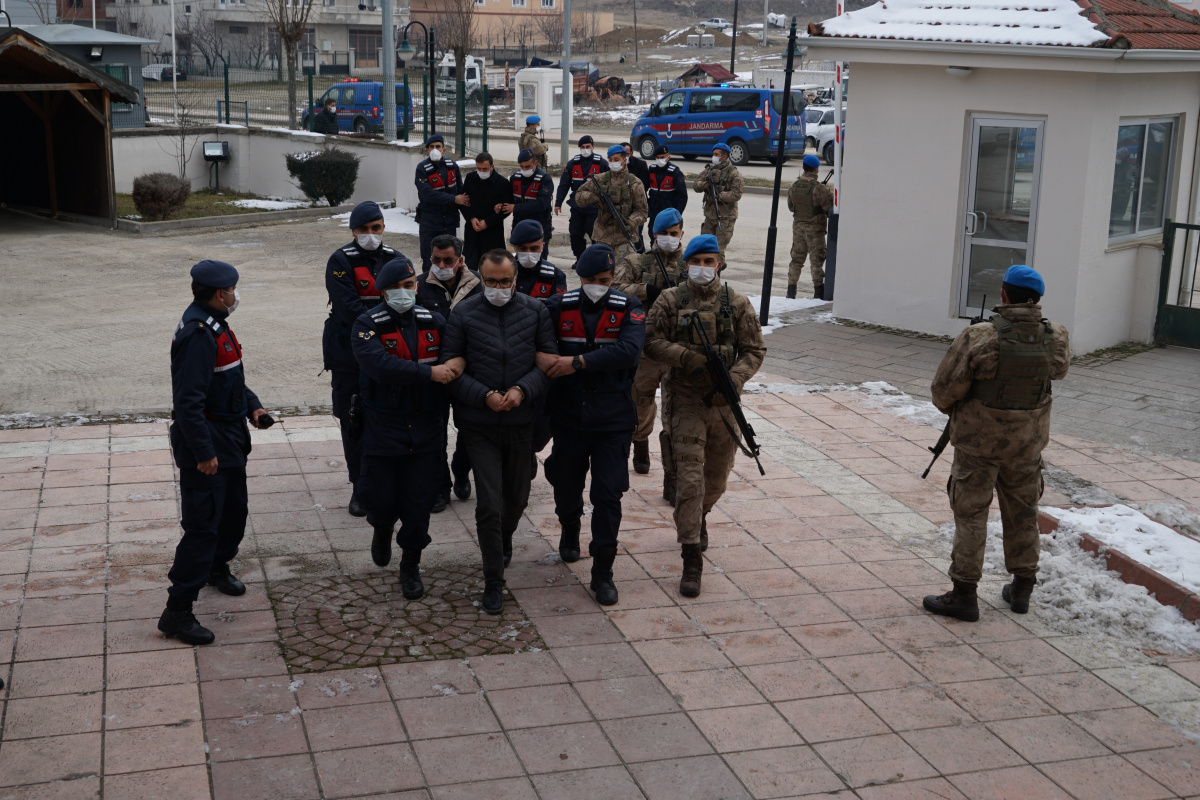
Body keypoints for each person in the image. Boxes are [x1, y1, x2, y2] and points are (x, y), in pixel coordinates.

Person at [923, 266, 1071, 622]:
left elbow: (944, 389)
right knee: (1023, 513)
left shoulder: (979, 336)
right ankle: (1022, 588)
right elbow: (1059, 371)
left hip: (978, 445)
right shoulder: (1057, 335)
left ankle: (964, 594)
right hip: (1026, 446)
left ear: (1003, 295)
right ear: (1037, 299)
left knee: (971, 515)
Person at [644, 235, 765, 597]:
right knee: (690, 480)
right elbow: (649, 341)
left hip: (723, 402)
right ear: (686, 264)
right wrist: (685, 357)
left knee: (715, 481)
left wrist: (733, 379)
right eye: (696, 260)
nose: (702, 267)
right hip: (685, 400)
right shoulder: (669, 300)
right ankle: (691, 555)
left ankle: (700, 518)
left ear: (719, 263)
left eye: (709, 261)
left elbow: (754, 349)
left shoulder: (737, 302)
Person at [160, 260, 271, 646]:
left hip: (228, 434)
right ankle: (177, 612)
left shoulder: (215, 323)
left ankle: (216, 568)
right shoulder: (198, 334)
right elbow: (188, 402)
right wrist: (204, 452)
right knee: (202, 527)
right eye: (233, 289)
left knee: (232, 512)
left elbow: (231, 376)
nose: (237, 295)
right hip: (206, 441)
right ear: (219, 294)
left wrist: (253, 407)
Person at [442, 249, 557, 614]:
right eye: (490, 281)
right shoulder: (463, 314)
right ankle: (494, 580)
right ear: (480, 278)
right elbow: (451, 372)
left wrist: (522, 390)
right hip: (479, 425)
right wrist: (485, 396)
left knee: (517, 499)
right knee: (489, 504)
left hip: (522, 424)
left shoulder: (535, 311)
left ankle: (503, 538)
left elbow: (548, 363)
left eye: (504, 282)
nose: (497, 288)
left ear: (515, 280)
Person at [540, 244, 645, 606]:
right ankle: (569, 526)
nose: (596, 286)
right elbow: (537, 342)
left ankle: (603, 571)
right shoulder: (558, 306)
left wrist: (578, 362)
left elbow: (628, 352)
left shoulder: (629, 308)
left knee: (607, 494)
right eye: (589, 280)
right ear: (578, 277)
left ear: (612, 278)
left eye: (602, 280)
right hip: (568, 415)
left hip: (612, 417)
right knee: (566, 481)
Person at [352, 255, 461, 599]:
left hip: (427, 427)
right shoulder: (366, 323)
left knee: (418, 504)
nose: (403, 292)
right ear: (383, 292)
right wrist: (429, 373)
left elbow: (455, 355)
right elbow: (380, 366)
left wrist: (455, 363)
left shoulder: (435, 320)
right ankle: (381, 528)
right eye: (395, 288)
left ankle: (410, 565)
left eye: (408, 285)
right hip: (384, 426)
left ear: (416, 285)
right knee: (379, 497)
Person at [323, 201, 404, 517]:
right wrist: (383, 322)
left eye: (376, 228)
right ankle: (360, 486)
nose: (370, 235)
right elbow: (348, 307)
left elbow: (408, 299)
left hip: (387, 354)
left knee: (387, 418)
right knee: (353, 420)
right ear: (353, 230)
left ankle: (388, 482)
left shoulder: (396, 259)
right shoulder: (340, 260)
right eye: (363, 229)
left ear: (383, 226)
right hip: (349, 353)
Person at [614, 208, 687, 484]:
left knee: (676, 411)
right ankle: (640, 442)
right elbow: (615, 287)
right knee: (640, 402)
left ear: (681, 232)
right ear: (654, 234)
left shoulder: (690, 263)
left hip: (678, 350)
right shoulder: (637, 261)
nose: (669, 238)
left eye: (673, 233)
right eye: (663, 233)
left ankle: (672, 472)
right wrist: (646, 290)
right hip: (645, 348)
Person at [417, 234, 483, 511]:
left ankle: (461, 469)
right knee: (434, 433)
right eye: (436, 259)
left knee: (471, 429)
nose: (441, 264)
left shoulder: (478, 284)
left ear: (461, 260)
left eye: (448, 260)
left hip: (470, 370)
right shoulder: (419, 286)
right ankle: (439, 487)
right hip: (434, 373)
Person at [573, 145, 649, 262]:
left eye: (616, 159)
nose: (613, 162)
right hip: (602, 237)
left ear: (624, 160)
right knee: (601, 273)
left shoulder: (635, 183)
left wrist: (631, 222)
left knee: (622, 275)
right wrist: (592, 197)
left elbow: (642, 211)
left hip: (624, 238)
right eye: (610, 159)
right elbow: (578, 195)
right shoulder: (600, 179)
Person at [415, 134, 468, 273]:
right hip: (430, 221)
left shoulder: (452, 166)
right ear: (427, 150)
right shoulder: (422, 168)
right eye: (431, 147)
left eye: (438, 146)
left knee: (450, 258)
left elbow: (460, 191)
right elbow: (426, 194)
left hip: (449, 221)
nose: (435, 149)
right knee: (429, 259)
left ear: (443, 149)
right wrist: (453, 199)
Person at [787, 154, 834, 300]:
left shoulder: (793, 186)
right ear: (816, 169)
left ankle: (791, 291)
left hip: (798, 228)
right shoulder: (819, 188)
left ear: (803, 167)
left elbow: (790, 207)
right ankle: (818, 293)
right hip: (815, 231)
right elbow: (829, 207)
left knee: (796, 260)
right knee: (816, 262)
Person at [554, 135, 609, 260]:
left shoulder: (601, 163)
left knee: (594, 233)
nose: (585, 149)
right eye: (582, 147)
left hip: (594, 207)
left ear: (593, 147)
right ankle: (580, 258)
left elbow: (609, 185)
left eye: (588, 147)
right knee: (575, 233)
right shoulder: (573, 163)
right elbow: (564, 185)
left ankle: (596, 259)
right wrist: (558, 203)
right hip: (577, 206)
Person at [693, 143, 744, 259]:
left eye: (716, 154)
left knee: (717, 251)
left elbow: (736, 194)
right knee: (704, 248)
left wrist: (719, 195)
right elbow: (696, 185)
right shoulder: (709, 170)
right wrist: (705, 184)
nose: (714, 156)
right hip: (710, 216)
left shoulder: (734, 174)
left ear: (724, 157)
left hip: (725, 218)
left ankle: (717, 272)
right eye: (713, 154)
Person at [460, 152, 510, 270]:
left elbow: (506, 210)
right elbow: (463, 203)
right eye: (479, 168)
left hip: (492, 235)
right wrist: (472, 219)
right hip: (473, 232)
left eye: (485, 169)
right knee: (470, 272)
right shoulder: (470, 178)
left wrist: (487, 222)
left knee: (492, 270)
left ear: (492, 167)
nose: (482, 171)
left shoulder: (502, 183)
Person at [506, 148, 555, 259]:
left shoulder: (545, 179)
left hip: (539, 223)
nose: (524, 169)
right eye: (521, 166)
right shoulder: (515, 178)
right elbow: (509, 200)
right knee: (520, 258)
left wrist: (515, 208)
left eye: (527, 167)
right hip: (519, 223)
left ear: (535, 163)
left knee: (539, 258)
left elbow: (540, 205)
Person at [511, 219, 568, 301]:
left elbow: (558, 307)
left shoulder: (555, 275)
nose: (528, 253)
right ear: (515, 247)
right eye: (523, 248)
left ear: (543, 246)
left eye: (534, 248)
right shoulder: (502, 271)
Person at [646, 145, 688, 223]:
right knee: (652, 233)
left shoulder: (675, 172)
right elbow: (644, 187)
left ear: (668, 157)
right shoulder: (652, 169)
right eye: (657, 158)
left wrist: (677, 214)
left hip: (669, 212)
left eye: (662, 157)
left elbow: (682, 196)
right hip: (654, 212)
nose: (659, 160)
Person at [623, 142, 651, 251]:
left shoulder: (640, 164)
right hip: (622, 207)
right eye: (623, 154)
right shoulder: (616, 166)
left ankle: (640, 255)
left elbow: (645, 185)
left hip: (637, 206)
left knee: (636, 234)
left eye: (627, 154)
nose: (625, 157)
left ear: (632, 153)